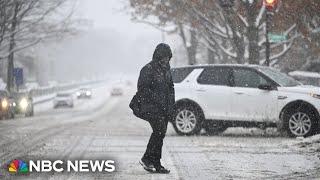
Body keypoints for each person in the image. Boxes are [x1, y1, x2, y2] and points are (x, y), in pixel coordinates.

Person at [137, 43, 175, 174]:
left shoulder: (167, 70)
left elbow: (171, 88)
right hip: (151, 108)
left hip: (164, 108)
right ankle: (148, 159)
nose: (166, 60)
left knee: (160, 133)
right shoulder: (148, 69)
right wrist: (157, 100)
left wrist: (171, 105)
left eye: (168, 57)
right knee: (159, 131)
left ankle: (154, 162)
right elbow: (143, 89)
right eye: (164, 57)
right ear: (159, 55)